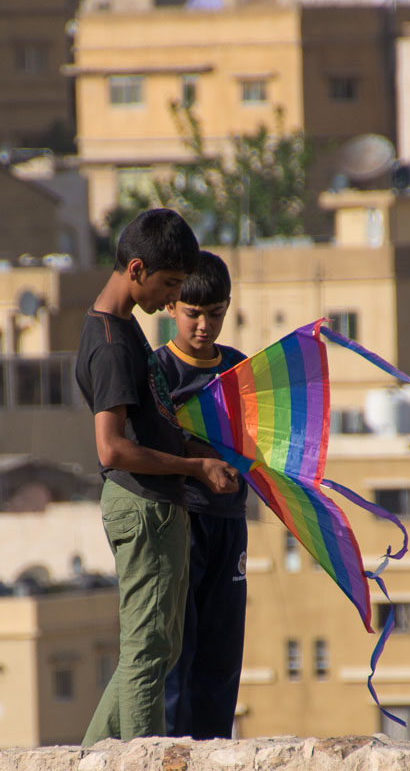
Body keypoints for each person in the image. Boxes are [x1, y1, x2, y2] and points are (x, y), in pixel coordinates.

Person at [75, 209, 239, 746]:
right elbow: (114, 447)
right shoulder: (112, 341)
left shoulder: (123, 329)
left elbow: (155, 426)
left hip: (157, 506)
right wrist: (193, 467)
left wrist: (200, 456)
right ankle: (143, 759)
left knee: (154, 649)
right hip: (143, 506)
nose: (166, 298)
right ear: (138, 269)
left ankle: (91, 758)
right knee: (150, 656)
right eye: (168, 284)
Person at [155, 250, 248, 739]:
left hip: (231, 524)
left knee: (223, 651)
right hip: (182, 522)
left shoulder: (240, 372)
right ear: (172, 308)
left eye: (215, 313)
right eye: (194, 313)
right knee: (178, 652)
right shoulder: (158, 373)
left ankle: (215, 750)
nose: (204, 326)